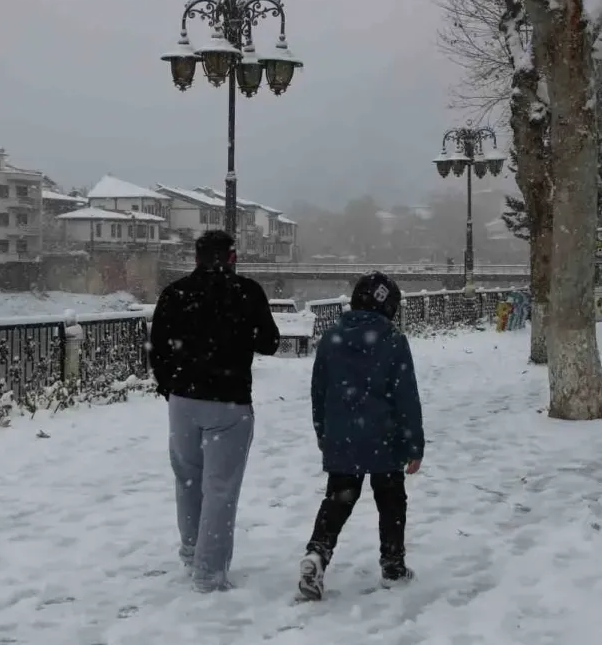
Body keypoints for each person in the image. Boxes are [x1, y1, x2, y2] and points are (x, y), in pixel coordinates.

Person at [149, 230, 281, 592]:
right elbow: (270, 343)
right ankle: (209, 572)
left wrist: (170, 386)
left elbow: (157, 347)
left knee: (188, 480)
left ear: (196, 257)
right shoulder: (248, 292)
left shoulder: (175, 294)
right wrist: (241, 334)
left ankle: (191, 551)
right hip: (230, 402)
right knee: (221, 488)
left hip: (183, 401)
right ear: (232, 257)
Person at [298, 272, 424, 601]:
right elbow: (406, 396)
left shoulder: (332, 337)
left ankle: (317, 554)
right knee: (391, 502)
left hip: (343, 437)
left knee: (338, 500)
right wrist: (414, 444)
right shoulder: (393, 339)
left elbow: (319, 393)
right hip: (385, 438)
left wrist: (323, 432)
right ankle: (393, 565)